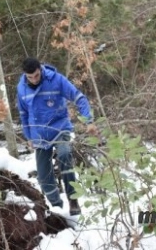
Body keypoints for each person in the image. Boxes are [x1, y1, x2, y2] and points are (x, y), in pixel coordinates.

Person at [16, 57, 99, 216]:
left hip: (60, 128)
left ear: (40, 69)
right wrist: (29, 136)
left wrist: (89, 121)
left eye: (36, 75)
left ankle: (73, 199)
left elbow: (78, 97)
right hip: (39, 134)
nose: (34, 80)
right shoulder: (21, 88)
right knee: (44, 177)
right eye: (30, 77)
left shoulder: (56, 80)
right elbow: (23, 114)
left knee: (64, 155)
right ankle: (57, 207)